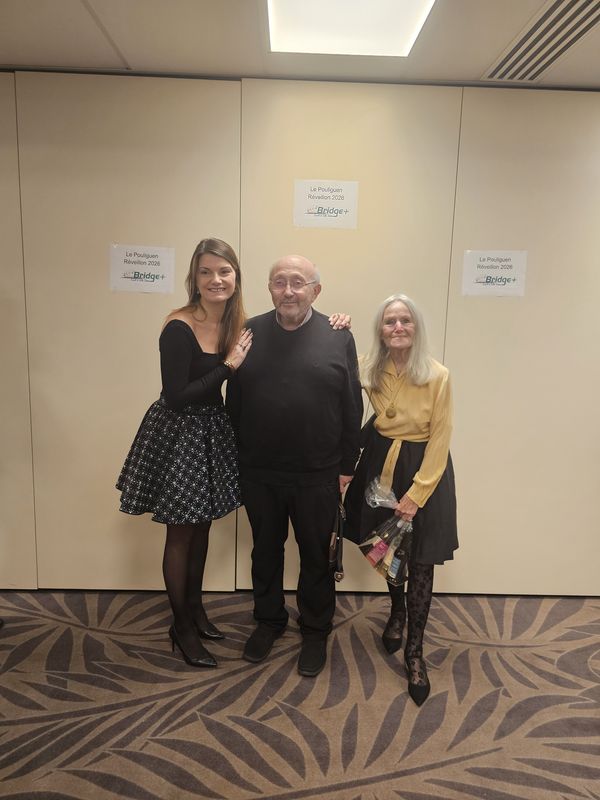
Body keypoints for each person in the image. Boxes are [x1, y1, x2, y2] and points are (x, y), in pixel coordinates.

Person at [117, 238, 252, 668]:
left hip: (212, 431)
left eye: (224, 271)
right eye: (206, 271)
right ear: (194, 277)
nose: (216, 279)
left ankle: (195, 610)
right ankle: (181, 627)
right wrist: (227, 367)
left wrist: (337, 322)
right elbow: (176, 396)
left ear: (236, 277)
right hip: (179, 433)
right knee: (180, 533)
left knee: (203, 527)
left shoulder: (236, 323)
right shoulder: (178, 326)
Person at [226, 255, 363, 677]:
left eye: (298, 282)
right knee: (265, 551)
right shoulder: (249, 332)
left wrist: (347, 465)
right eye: (279, 282)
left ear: (315, 291)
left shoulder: (338, 335)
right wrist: (236, 460)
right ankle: (268, 620)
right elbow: (234, 403)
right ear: (269, 288)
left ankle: (315, 629)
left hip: (318, 473)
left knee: (316, 557)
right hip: (260, 471)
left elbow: (352, 405)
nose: (288, 291)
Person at [344, 293, 458, 705]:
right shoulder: (368, 368)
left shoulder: (437, 375)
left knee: (421, 559)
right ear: (380, 329)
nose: (397, 327)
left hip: (425, 468)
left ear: (416, 327)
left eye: (405, 321)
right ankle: (396, 612)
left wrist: (418, 493)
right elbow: (332, 372)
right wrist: (335, 328)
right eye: (389, 321)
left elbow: (442, 436)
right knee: (388, 548)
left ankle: (414, 652)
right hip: (381, 464)